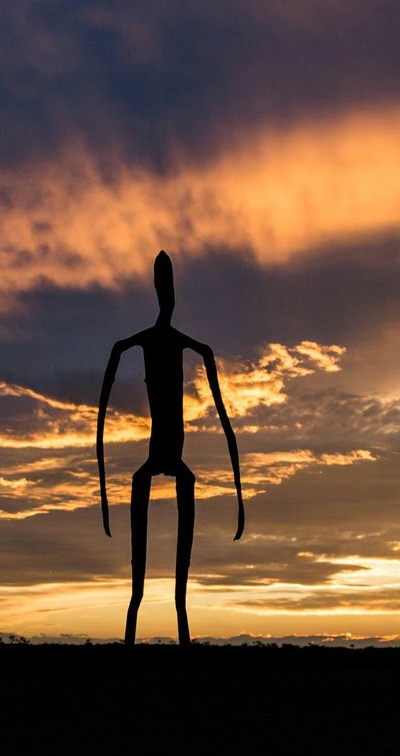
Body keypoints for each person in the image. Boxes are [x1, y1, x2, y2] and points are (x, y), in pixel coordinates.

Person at [95, 251, 244, 645]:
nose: (169, 297)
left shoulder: (193, 348)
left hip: (176, 458)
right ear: (161, 292)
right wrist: (105, 494)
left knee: (180, 588)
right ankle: (135, 615)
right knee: (137, 587)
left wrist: (240, 496)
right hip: (155, 455)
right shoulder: (138, 343)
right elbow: (103, 404)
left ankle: (180, 620)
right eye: (165, 288)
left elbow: (226, 421)